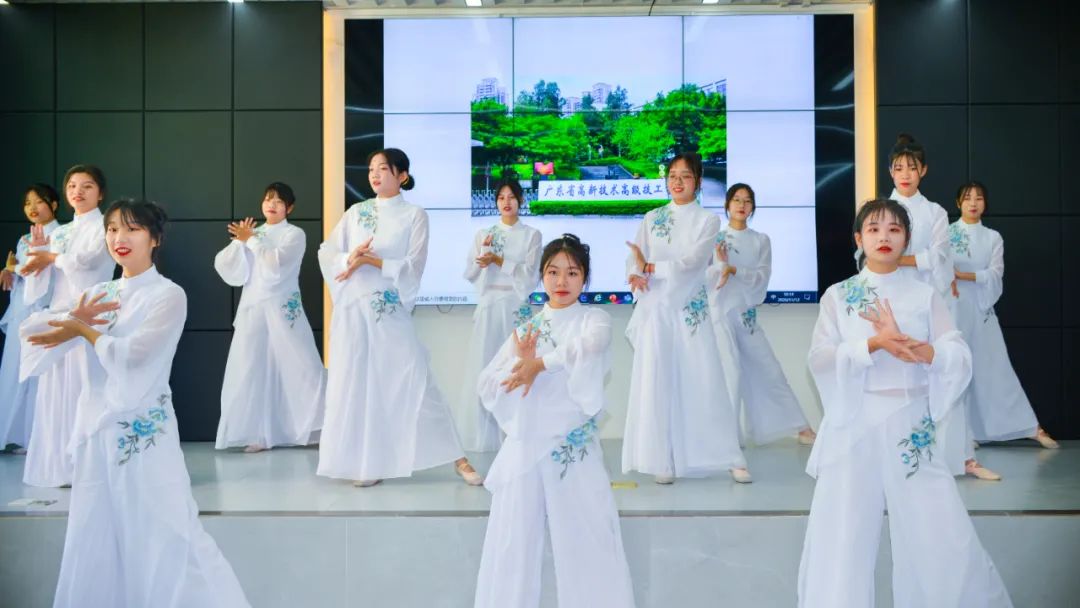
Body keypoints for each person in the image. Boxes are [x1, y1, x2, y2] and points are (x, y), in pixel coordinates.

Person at [23, 199, 250, 607]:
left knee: (167, 530)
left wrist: (82, 330)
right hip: (95, 433)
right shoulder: (98, 293)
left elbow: (134, 359)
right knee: (96, 529)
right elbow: (33, 334)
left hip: (145, 435)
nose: (119, 238)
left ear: (155, 238)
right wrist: (75, 321)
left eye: (132, 229)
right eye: (112, 229)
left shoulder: (168, 295)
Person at [797, 198, 1012, 608]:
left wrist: (923, 351)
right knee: (842, 533)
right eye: (874, 229)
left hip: (911, 424)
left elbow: (957, 352)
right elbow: (820, 359)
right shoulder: (838, 295)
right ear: (859, 239)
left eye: (894, 229)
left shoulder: (923, 294)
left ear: (906, 239)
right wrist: (874, 344)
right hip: (854, 425)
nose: (884, 236)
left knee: (938, 528)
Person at [474, 234, 635, 608]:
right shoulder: (528, 328)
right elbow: (488, 383)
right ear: (541, 276)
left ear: (585, 279)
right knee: (512, 543)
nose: (562, 281)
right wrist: (520, 365)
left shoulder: (594, 319)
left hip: (572, 448)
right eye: (553, 272)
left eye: (572, 273)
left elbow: (588, 347)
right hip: (527, 450)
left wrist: (539, 364)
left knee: (589, 535)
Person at [316, 148, 481, 486]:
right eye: (371, 170)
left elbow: (413, 265)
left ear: (402, 175)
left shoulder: (414, 215)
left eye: (383, 169)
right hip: (353, 308)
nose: (375, 175)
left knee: (415, 377)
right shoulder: (356, 212)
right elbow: (327, 252)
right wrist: (350, 256)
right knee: (357, 382)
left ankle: (458, 458)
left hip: (388, 308)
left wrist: (370, 261)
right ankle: (367, 465)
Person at [622, 152, 749, 484]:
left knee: (704, 379)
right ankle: (661, 457)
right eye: (673, 175)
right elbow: (635, 257)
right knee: (658, 379)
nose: (677, 182)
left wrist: (650, 267)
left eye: (685, 176)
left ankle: (729, 456)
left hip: (690, 308)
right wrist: (636, 274)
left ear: (698, 181)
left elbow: (693, 262)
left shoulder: (707, 221)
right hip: (656, 309)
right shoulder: (652, 217)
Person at [17, 165, 115, 487]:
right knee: (56, 394)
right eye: (72, 186)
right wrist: (37, 261)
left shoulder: (106, 226)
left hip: (90, 314)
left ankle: (89, 468)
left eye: (87, 186)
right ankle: (60, 468)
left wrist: (52, 258)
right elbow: (41, 286)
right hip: (60, 314)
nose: (78, 192)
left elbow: (88, 264)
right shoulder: (59, 233)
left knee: (87, 387)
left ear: (100, 193)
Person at [214, 182, 325, 453]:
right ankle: (259, 434)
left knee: (302, 365)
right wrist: (242, 241)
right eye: (267, 199)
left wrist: (250, 240)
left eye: (278, 201)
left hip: (283, 307)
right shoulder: (253, 233)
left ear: (289, 207)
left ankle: (321, 427)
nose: (271, 205)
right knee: (252, 366)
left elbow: (276, 263)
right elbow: (226, 265)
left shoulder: (294, 234)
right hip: (254, 306)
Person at [948, 181, 1057, 449]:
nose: (973, 203)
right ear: (958, 203)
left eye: (979, 198)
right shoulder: (946, 234)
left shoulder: (993, 237)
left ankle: (1029, 426)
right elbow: (939, 270)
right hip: (953, 307)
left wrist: (963, 275)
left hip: (981, 307)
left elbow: (995, 274)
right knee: (957, 368)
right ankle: (965, 433)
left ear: (985, 204)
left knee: (995, 367)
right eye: (967, 198)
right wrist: (952, 278)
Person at [709, 183, 815, 446]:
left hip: (745, 315)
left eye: (747, 201)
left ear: (753, 207)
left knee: (770, 370)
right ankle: (728, 440)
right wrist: (720, 267)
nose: (741, 205)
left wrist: (733, 270)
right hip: (720, 314)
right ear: (727, 205)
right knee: (729, 374)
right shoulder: (715, 239)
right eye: (736, 200)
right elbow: (705, 278)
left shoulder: (761, 240)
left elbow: (762, 277)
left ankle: (800, 428)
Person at [458, 178, 542, 452]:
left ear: (521, 200)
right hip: (490, 305)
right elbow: (470, 273)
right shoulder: (484, 234)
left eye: (512, 197)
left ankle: (516, 438)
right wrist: (483, 257)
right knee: (486, 366)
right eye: (501, 197)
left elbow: (530, 275)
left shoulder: (532, 235)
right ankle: (485, 439)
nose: (506, 202)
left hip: (515, 307)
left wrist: (499, 260)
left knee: (516, 366)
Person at [0, 184, 61, 453]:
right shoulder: (24, 239)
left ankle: (38, 438)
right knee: (16, 369)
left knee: (41, 372)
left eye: (39, 201)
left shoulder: (62, 234)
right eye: (28, 203)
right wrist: (10, 273)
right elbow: (23, 276)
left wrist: (19, 269)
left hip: (46, 308)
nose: (32, 208)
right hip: (23, 310)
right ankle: (16, 435)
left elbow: (54, 274)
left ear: (54, 205)